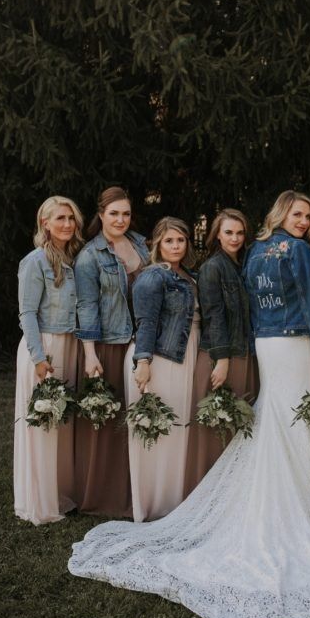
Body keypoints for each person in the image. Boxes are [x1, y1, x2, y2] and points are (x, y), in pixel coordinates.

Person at [69, 191, 310, 618]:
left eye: (309, 216)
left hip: (268, 344)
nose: (305, 221)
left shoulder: (255, 251)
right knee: (294, 420)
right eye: (299, 213)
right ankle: (298, 504)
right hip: (296, 341)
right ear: (283, 214)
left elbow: (252, 302)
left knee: (278, 414)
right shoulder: (301, 251)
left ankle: (282, 494)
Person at [74, 186, 149, 517]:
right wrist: (90, 354)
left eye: (126, 213)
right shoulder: (90, 256)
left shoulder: (142, 244)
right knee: (110, 423)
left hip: (144, 342)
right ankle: (108, 496)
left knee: (140, 416)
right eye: (114, 213)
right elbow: (86, 306)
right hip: (110, 343)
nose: (120, 219)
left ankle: (142, 489)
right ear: (101, 214)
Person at [14, 196, 84, 524]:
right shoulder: (35, 261)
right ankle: (39, 503)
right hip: (44, 346)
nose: (67, 224)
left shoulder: (70, 259)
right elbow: (27, 312)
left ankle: (58, 492)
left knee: (60, 423)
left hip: (67, 344)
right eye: (60, 218)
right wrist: (39, 359)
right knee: (44, 424)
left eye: (71, 218)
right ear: (45, 222)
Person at [125, 217, 199, 522]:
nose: (175, 246)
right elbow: (146, 322)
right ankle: (153, 505)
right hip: (160, 359)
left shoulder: (187, 275)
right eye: (169, 241)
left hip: (183, 357)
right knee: (158, 430)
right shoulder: (153, 277)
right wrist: (143, 362)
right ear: (156, 244)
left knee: (177, 429)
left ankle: (173, 502)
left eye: (180, 240)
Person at [183, 208, 259, 497]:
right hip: (222, 356)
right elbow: (213, 316)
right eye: (229, 232)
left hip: (245, 353)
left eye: (240, 233)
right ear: (217, 234)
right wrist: (223, 359)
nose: (235, 238)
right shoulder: (212, 267)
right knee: (218, 430)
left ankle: (235, 496)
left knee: (238, 428)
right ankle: (209, 496)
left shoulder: (244, 265)